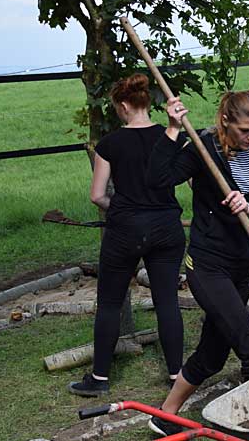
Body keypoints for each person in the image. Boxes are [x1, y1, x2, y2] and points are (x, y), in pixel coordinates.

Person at [144, 90, 249, 439]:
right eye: (245, 130)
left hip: (242, 266)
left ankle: (164, 416)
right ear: (226, 121)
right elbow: (157, 181)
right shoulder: (203, 150)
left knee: (213, 353)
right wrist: (173, 128)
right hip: (208, 266)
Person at [68, 73, 185, 397]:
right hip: (166, 227)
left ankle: (99, 378)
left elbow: (97, 195)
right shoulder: (170, 136)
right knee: (167, 301)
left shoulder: (110, 144)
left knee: (109, 302)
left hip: (125, 230)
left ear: (123, 106)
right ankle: (176, 374)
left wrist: (121, 208)